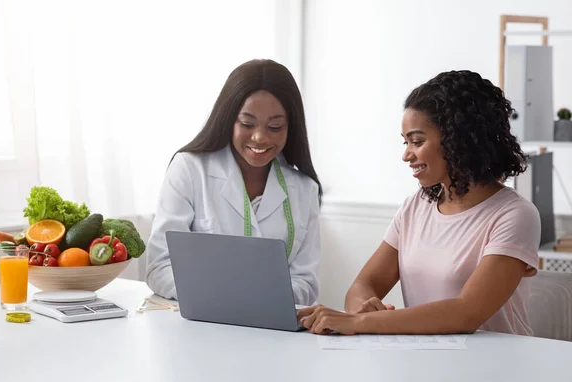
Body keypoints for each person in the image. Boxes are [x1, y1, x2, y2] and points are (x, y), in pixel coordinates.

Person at [298, 70, 540, 335]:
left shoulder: (514, 215)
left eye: (417, 141)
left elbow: (466, 313)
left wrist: (359, 323)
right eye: (405, 142)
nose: (406, 155)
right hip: (426, 361)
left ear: (458, 140)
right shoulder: (415, 207)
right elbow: (364, 284)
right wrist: (361, 309)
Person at [146, 59, 323, 306]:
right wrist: (220, 297)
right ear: (229, 119)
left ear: (290, 127)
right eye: (247, 124)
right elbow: (160, 266)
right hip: (204, 324)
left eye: (275, 126)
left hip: (272, 328)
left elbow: (306, 281)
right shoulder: (189, 169)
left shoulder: (305, 189)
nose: (259, 137)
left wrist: (259, 300)